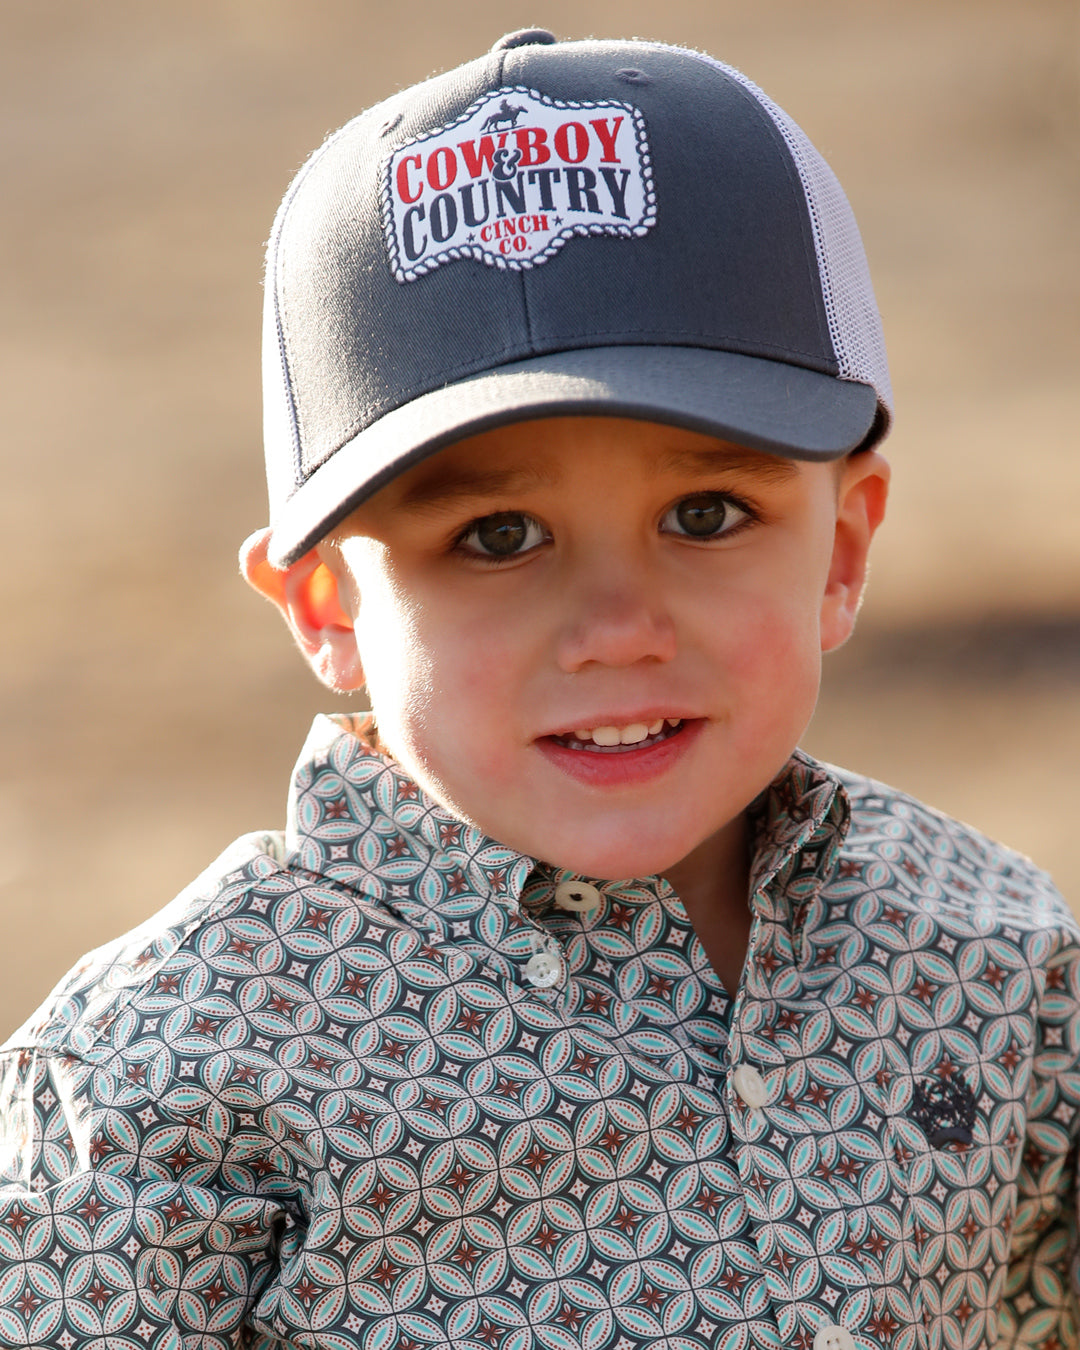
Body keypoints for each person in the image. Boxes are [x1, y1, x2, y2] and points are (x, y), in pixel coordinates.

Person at [0, 29, 1075, 1350]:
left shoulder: (986, 952)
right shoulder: (173, 1070)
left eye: (707, 510)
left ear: (843, 550)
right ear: (327, 606)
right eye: (496, 536)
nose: (619, 627)